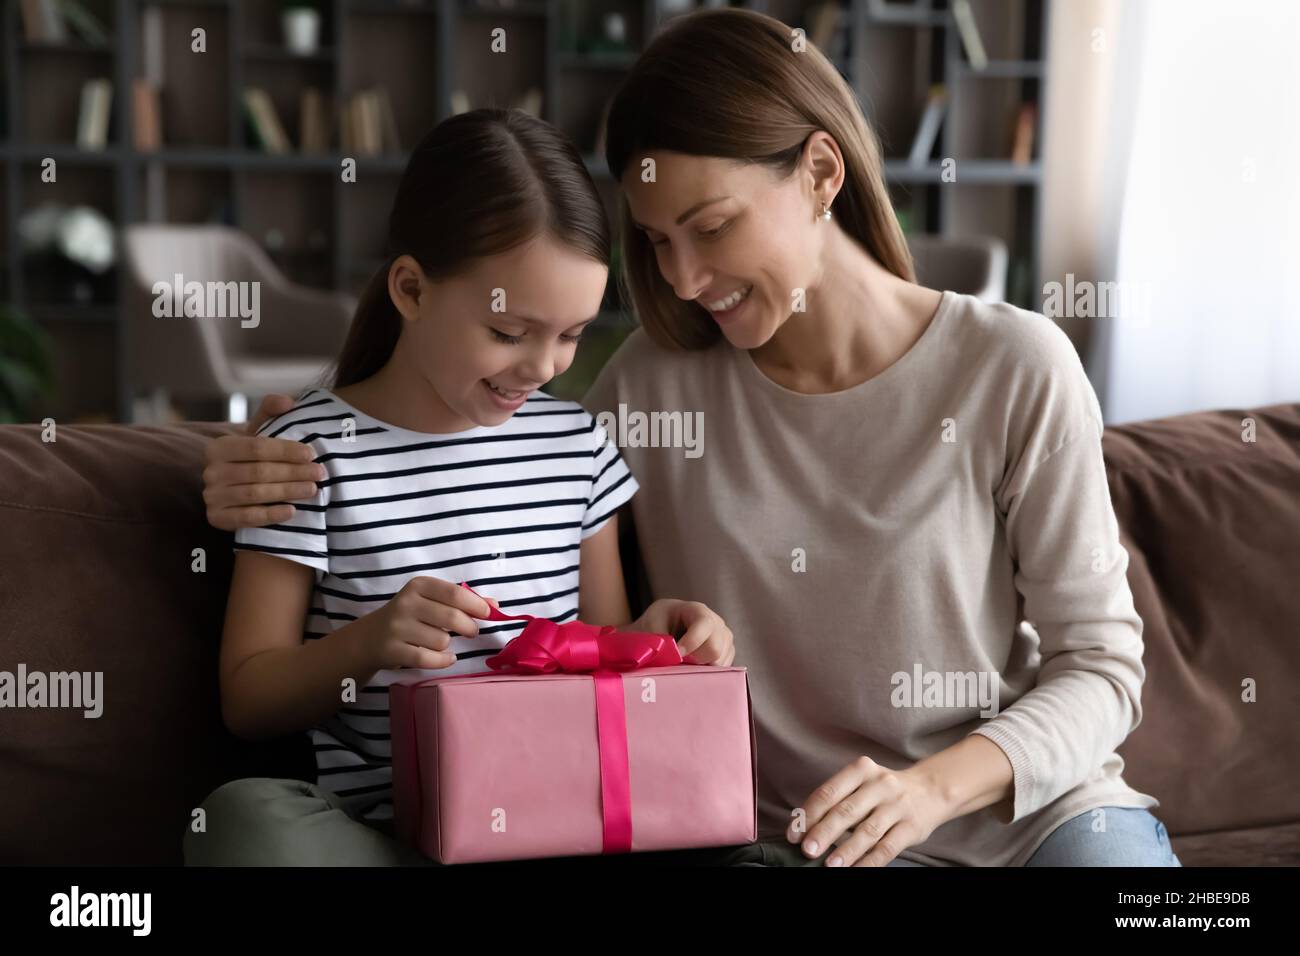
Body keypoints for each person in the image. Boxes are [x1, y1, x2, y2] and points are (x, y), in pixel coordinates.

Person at [200, 9, 1181, 867]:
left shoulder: (1014, 366)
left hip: (1031, 824)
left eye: (709, 227)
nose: (681, 278)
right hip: (785, 842)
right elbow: (458, 409)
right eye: (657, 242)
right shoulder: (644, 392)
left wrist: (928, 788)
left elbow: (1100, 667)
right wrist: (246, 448)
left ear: (819, 172)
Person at [184, 108, 734, 866]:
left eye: (570, 335)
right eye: (510, 333)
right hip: (386, 832)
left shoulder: (576, 446)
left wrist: (654, 640)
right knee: (248, 821)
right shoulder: (304, 454)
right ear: (410, 289)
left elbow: (599, 655)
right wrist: (368, 644)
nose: (544, 367)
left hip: (555, 821)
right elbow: (248, 698)